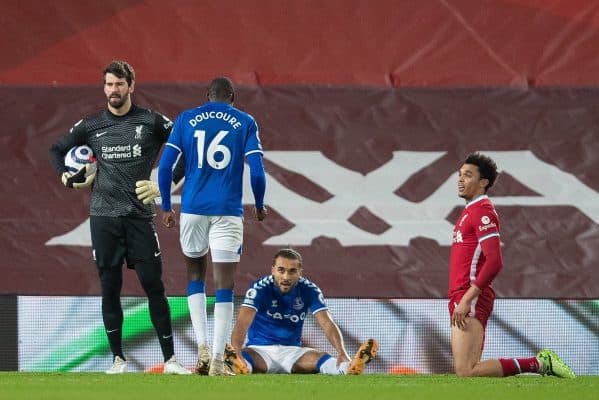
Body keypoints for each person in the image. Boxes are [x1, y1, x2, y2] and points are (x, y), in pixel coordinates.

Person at [48, 60, 190, 375]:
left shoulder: (151, 121)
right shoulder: (90, 125)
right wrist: (65, 178)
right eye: (109, 84)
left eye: (119, 84)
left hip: (139, 218)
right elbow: (56, 151)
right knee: (109, 287)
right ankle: (118, 361)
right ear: (105, 88)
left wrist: (161, 187)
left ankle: (170, 361)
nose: (114, 90)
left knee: (154, 286)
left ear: (131, 86)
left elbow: (187, 148)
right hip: (103, 219)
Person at [142, 77, 267, 376]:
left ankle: (202, 346)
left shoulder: (187, 118)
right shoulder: (245, 121)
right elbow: (258, 171)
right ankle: (217, 361)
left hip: (193, 210)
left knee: (195, 275)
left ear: (207, 96)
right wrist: (259, 205)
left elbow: (166, 167)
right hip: (227, 211)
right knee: (225, 285)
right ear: (233, 97)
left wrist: (166, 208)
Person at [449, 152, 575, 378]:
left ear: (483, 182)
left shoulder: (482, 211)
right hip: (461, 293)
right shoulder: (469, 211)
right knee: (466, 370)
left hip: (470, 295)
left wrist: (468, 298)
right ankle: (539, 363)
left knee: (467, 371)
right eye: (459, 175)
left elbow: (495, 261)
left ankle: (539, 363)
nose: (460, 179)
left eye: (468, 175)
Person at [224, 248, 378, 375]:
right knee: (245, 360)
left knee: (323, 359)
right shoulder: (259, 288)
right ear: (273, 270)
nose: (286, 276)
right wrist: (237, 352)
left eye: (292, 271)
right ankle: (238, 366)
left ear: (300, 272)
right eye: (281, 270)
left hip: (293, 354)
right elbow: (242, 323)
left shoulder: (309, 289)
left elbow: (326, 323)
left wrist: (342, 352)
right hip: (259, 351)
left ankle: (349, 367)